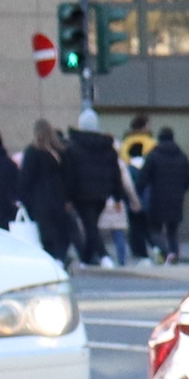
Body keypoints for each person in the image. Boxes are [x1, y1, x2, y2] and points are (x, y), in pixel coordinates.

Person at [64, 108, 123, 267]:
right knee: (92, 226)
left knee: (90, 226)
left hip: (80, 194)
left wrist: (67, 197)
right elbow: (116, 173)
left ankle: (103, 256)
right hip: (102, 193)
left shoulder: (73, 147)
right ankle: (87, 259)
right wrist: (118, 196)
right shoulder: (107, 147)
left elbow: (69, 174)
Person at [18, 121, 78, 264]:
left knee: (45, 232)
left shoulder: (32, 152)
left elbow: (26, 178)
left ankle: (50, 258)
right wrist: (68, 199)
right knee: (60, 230)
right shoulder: (60, 152)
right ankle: (60, 258)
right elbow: (69, 177)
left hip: (39, 198)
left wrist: (23, 198)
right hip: (58, 196)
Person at [141, 126, 189, 263]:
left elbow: (143, 178)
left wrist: (139, 194)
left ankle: (164, 252)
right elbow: (188, 181)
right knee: (173, 230)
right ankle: (174, 254)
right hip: (176, 199)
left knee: (155, 229)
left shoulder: (153, 156)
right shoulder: (182, 157)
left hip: (157, 198)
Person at [120, 114, 157, 259]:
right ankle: (155, 249)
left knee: (134, 226)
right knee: (148, 227)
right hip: (147, 192)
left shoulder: (125, 144)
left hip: (130, 190)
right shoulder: (151, 143)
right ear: (144, 127)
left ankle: (138, 252)